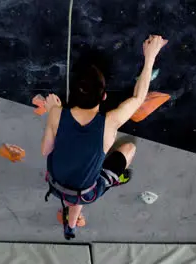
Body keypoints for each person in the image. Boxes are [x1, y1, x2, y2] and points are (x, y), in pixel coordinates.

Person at [42, 35, 168, 240]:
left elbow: (46, 151)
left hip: (57, 186)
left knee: (81, 184)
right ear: (104, 97)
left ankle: (72, 225)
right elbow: (138, 98)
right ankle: (70, 227)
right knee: (129, 149)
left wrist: (52, 113)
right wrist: (150, 56)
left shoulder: (56, 113)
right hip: (84, 191)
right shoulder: (110, 122)